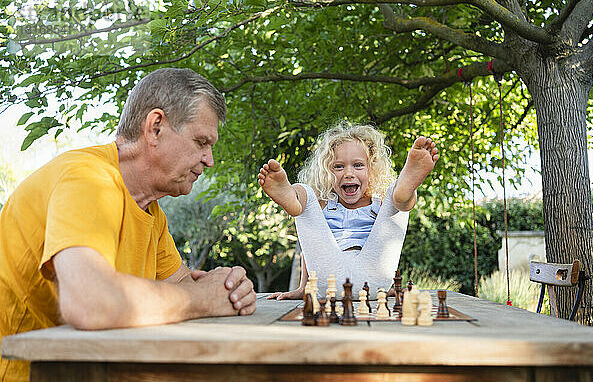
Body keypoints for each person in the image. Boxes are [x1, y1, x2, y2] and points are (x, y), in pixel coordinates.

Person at [0, 68, 256, 382]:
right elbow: (90, 303)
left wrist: (229, 288)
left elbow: (181, 288)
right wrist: (205, 299)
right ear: (155, 127)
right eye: (201, 142)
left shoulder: (151, 211)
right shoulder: (87, 178)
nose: (209, 159)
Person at [258, 123, 438, 300]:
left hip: (372, 275)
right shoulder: (323, 204)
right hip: (335, 276)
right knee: (308, 197)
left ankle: (405, 189)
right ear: (327, 172)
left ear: (372, 170)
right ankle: (292, 196)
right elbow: (312, 247)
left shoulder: (378, 204)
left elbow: (389, 241)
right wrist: (303, 288)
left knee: (395, 202)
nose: (348, 173)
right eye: (338, 167)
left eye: (358, 165)